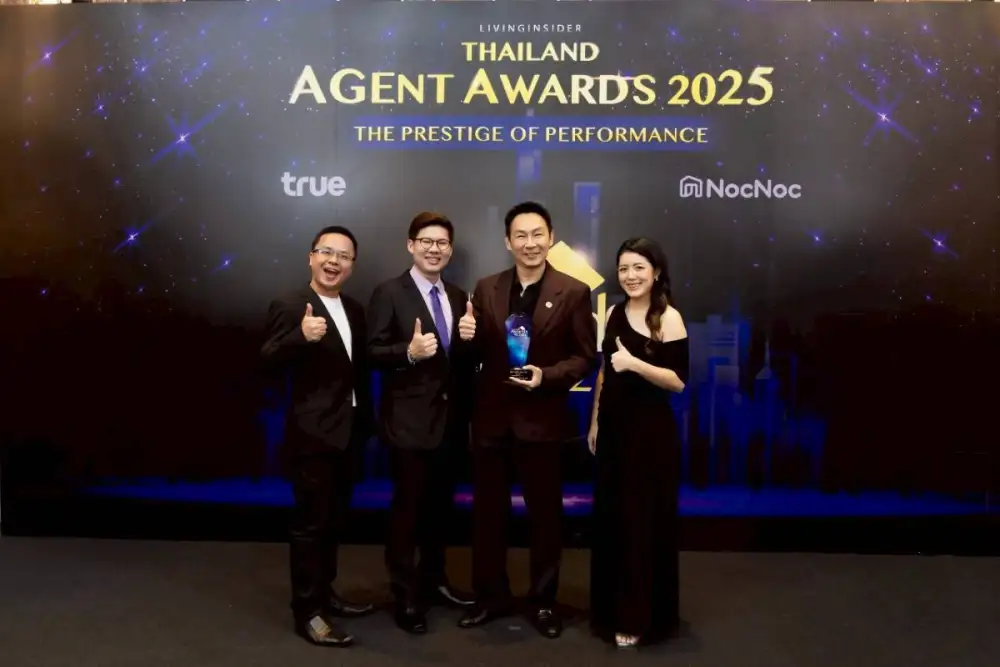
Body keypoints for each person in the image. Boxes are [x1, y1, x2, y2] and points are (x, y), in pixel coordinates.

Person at [458, 201, 598, 638]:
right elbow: (476, 354)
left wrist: (547, 376)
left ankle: (543, 602)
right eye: (521, 235)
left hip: (543, 421)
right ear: (507, 241)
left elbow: (585, 357)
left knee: (545, 519)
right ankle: (490, 597)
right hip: (492, 421)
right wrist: (467, 338)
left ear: (551, 237)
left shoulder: (574, 291)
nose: (530, 243)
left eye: (538, 234)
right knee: (488, 516)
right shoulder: (487, 288)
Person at [260, 225, 375, 648]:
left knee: (333, 521)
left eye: (343, 255)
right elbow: (266, 361)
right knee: (309, 525)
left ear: (351, 266)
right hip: (312, 436)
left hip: (350, 434)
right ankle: (308, 612)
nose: (333, 261)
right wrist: (299, 337)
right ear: (311, 257)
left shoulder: (356, 309)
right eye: (326, 252)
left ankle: (326, 595)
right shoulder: (290, 305)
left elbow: (359, 370)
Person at [366, 212, 477, 634]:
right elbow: (372, 353)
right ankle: (405, 593)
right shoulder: (389, 292)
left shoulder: (459, 295)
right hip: (408, 425)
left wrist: (470, 341)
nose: (435, 249)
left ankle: (435, 580)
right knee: (407, 513)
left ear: (450, 249)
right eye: (426, 241)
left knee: (439, 511)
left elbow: (457, 364)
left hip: (450, 425)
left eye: (442, 242)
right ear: (411, 245)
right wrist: (408, 353)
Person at [587, 237, 689, 649]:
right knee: (613, 521)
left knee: (641, 524)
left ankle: (641, 617)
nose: (630, 276)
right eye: (624, 268)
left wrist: (635, 364)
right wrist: (595, 421)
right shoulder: (613, 312)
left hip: (649, 436)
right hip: (613, 430)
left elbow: (678, 381)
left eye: (638, 268)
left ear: (656, 272)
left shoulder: (669, 318)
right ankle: (610, 611)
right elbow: (603, 372)